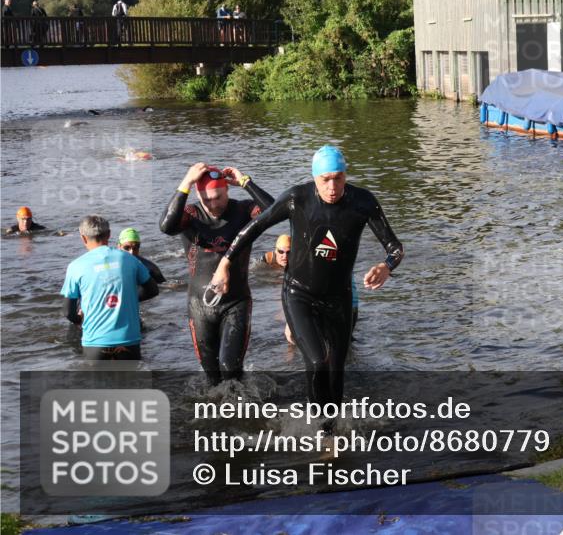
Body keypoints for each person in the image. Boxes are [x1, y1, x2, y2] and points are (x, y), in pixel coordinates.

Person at [211, 145, 403, 413]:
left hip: (339, 297)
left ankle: (331, 428)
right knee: (317, 361)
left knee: (337, 371)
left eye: (339, 178)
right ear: (315, 178)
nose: (333, 186)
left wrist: (387, 266)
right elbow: (254, 228)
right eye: (326, 180)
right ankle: (320, 429)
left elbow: (395, 247)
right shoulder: (296, 198)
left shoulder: (363, 202)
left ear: (346, 175)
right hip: (299, 294)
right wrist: (225, 264)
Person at [160, 163, 273, 384]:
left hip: (236, 301)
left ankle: (240, 413)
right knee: (211, 374)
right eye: (207, 198)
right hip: (199, 305)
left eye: (218, 196)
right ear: (197, 194)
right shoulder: (191, 214)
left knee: (230, 368)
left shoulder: (243, 210)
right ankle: (218, 415)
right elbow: (166, 226)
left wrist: (244, 181)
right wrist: (186, 182)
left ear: (227, 190)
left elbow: (274, 212)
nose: (213, 204)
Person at [61, 215, 159, 361]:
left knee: (99, 383)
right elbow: (153, 290)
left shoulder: (76, 266)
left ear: (83, 238)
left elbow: (68, 312)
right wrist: (128, 298)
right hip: (129, 340)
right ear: (109, 234)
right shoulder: (130, 259)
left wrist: (78, 318)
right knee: (133, 382)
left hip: (95, 343)